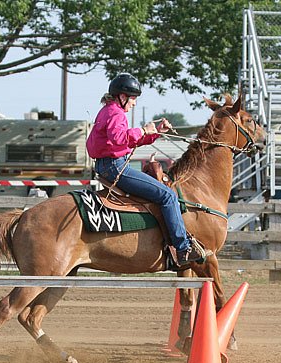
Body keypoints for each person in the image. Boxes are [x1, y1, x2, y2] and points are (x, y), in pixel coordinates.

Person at [86, 73, 208, 267]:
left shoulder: (108, 110)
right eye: (133, 98)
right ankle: (183, 248)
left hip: (108, 165)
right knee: (168, 196)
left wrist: (155, 132)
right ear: (122, 96)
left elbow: (125, 140)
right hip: (115, 166)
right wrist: (143, 130)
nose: (134, 103)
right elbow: (119, 138)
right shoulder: (116, 113)